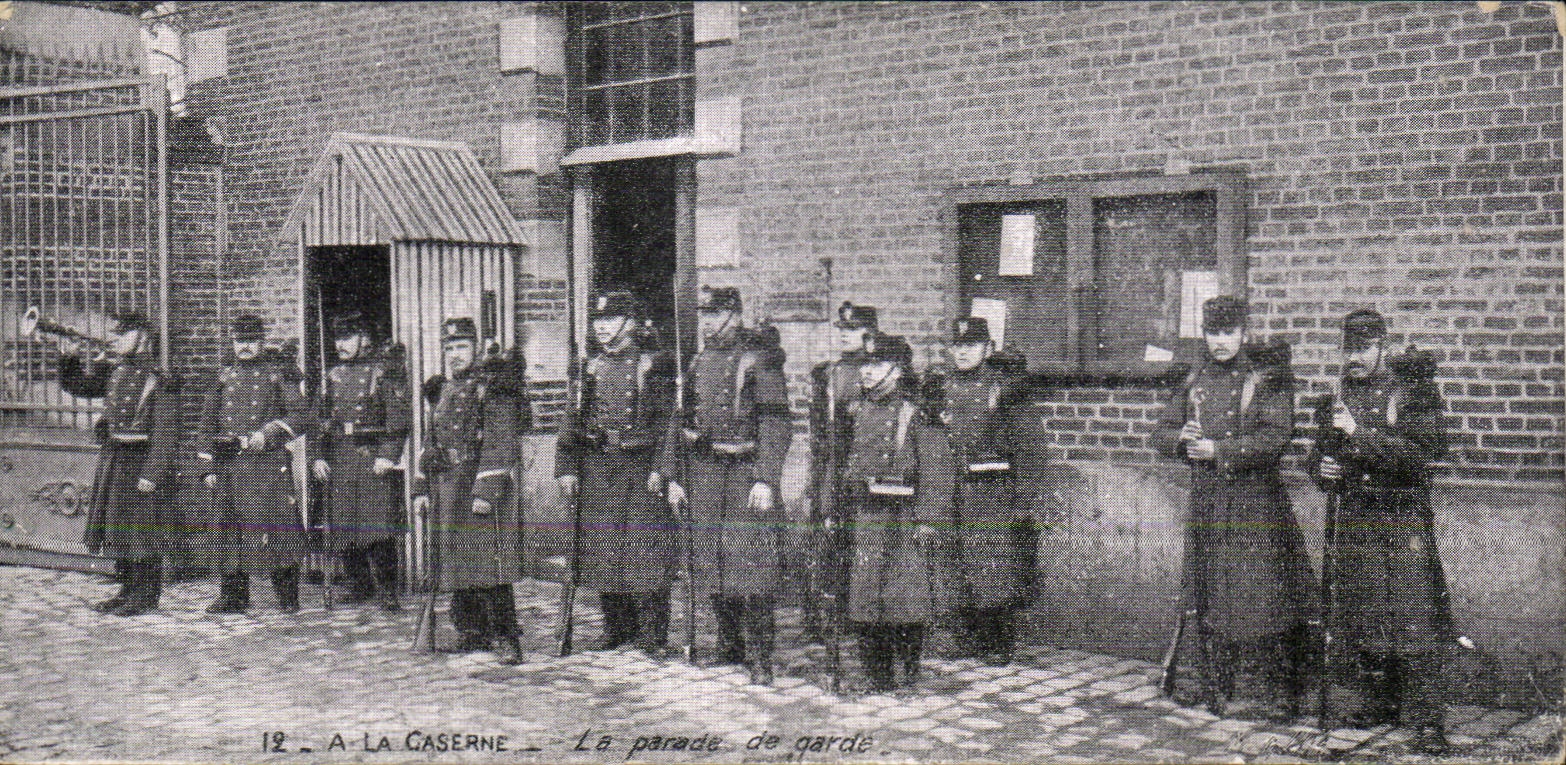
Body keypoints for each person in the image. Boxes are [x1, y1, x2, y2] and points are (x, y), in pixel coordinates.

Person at [1150, 295, 1313, 719]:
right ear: (1204, 334)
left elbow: (1276, 437)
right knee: (1207, 592)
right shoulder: (1195, 377)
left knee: (1261, 593)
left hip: (1255, 503)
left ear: (1243, 332)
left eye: (1229, 332)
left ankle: (1270, 692)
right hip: (1208, 503)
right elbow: (1162, 431)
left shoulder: (1266, 377)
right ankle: (1210, 683)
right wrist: (1181, 440)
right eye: (1213, 332)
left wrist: (1219, 449)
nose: (1221, 341)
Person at [1309, 309, 1451, 754]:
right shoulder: (1337, 395)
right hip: (1356, 518)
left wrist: (1359, 435)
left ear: (1381, 346)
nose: (1355, 357)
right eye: (1349, 349)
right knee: (1365, 610)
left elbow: (1420, 456)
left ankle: (1428, 719)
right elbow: (1318, 456)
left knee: (1415, 614)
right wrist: (1323, 469)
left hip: (1401, 518)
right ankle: (1380, 702)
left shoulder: (1412, 391)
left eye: (1364, 348)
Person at [657, 286, 791, 684]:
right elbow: (680, 423)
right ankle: (729, 645)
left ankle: (761, 656)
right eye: (704, 316)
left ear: (735, 315)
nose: (708, 323)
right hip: (705, 473)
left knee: (752, 563)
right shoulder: (698, 360)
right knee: (712, 561)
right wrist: (674, 475)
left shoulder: (758, 359)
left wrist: (767, 477)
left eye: (716, 315)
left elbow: (776, 421)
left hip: (745, 475)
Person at [556, 291, 677, 656]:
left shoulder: (653, 366)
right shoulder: (589, 367)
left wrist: (662, 468)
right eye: (598, 321)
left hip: (640, 467)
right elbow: (571, 422)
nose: (602, 327)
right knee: (604, 548)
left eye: (610, 320)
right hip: (597, 465)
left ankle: (652, 633)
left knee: (645, 549)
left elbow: (668, 423)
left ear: (632, 324)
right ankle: (617, 627)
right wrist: (566, 467)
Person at [842, 333, 955, 692]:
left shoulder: (917, 413)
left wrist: (928, 517)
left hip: (904, 517)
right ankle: (877, 673)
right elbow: (844, 462)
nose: (868, 372)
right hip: (867, 514)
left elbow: (938, 469)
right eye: (865, 364)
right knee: (865, 594)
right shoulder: (857, 409)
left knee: (905, 596)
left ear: (897, 370)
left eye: (877, 365)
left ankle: (907, 668)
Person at [922, 317, 1039, 664]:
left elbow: (1029, 450)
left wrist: (1025, 498)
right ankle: (964, 635)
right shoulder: (938, 389)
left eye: (971, 346)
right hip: (949, 490)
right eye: (957, 346)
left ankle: (998, 640)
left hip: (991, 494)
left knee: (994, 565)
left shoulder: (1004, 390)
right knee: (953, 562)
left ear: (988, 349)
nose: (962, 353)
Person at [414, 318, 529, 665]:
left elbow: (501, 441)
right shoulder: (444, 389)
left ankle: (506, 636)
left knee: (489, 562)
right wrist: (422, 485)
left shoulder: (493, 387)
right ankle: (471, 631)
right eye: (448, 348)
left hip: (478, 485)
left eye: (461, 347)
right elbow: (430, 440)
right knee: (458, 561)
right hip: (448, 486)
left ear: (476, 347)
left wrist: (486, 489)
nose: (454, 355)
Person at [57, 311, 182, 616]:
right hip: (116, 457)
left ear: (142, 338)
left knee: (141, 530)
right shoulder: (116, 370)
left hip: (141, 462)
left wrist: (152, 474)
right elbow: (80, 387)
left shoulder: (159, 378)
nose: (116, 338)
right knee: (118, 527)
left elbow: (167, 432)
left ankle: (146, 596)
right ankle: (126, 590)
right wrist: (68, 358)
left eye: (124, 333)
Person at [198, 314, 311, 614]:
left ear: (261, 342)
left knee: (276, 528)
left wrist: (268, 433)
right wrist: (207, 466)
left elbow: (301, 416)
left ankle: (287, 594)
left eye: (250, 341)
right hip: (228, 466)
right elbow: (207, 425)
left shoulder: (279, 375)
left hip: (266, 466)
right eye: (239, 341)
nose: (244, 347)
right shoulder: (222, 377)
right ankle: (233, 595)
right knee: (228, 529)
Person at [312, 312, 410, 612]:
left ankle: (387, 590)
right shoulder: (331, 378)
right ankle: (358, 585)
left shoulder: (382, 375)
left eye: (348, 338)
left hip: (372, 460)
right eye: (338, 339)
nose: (341, 345)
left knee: (378, 528)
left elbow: (398, 420)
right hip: (341, 458)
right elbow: (319, 422)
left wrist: (388, 456)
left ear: (363, 339)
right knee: (345, 526)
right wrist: (318, 455)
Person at [804, 301, 878, 642]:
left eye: (854, 330)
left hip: (865, 467)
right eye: (843, 330)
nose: (847, 336)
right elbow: (817, 431)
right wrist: (813, 477)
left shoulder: (881, 369)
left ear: (869, 333)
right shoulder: (827, 373)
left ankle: (861, 614)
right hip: (832, 464)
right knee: (826, 538)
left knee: (860, 539)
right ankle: (822, 617)